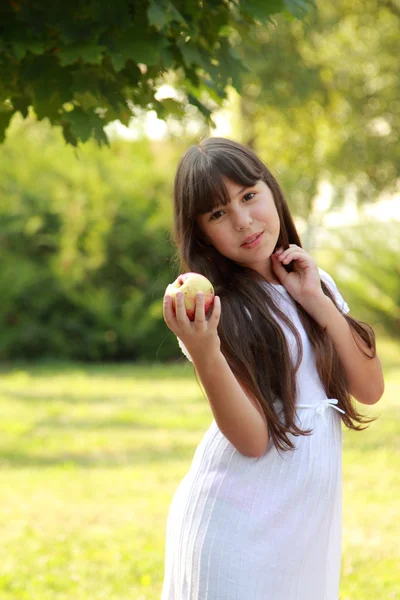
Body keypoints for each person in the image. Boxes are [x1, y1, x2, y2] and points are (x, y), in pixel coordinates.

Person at [161, 137, 384, 600]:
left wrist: (316, 302)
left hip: (302, 531)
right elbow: (252, 440)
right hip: (234, 532)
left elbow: (370, 386)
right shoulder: (217, 310)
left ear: (272, 190)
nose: (243, 221)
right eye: (218, 214)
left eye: (249, 196)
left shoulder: (313, 282)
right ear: (201, 234)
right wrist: (205, 354)